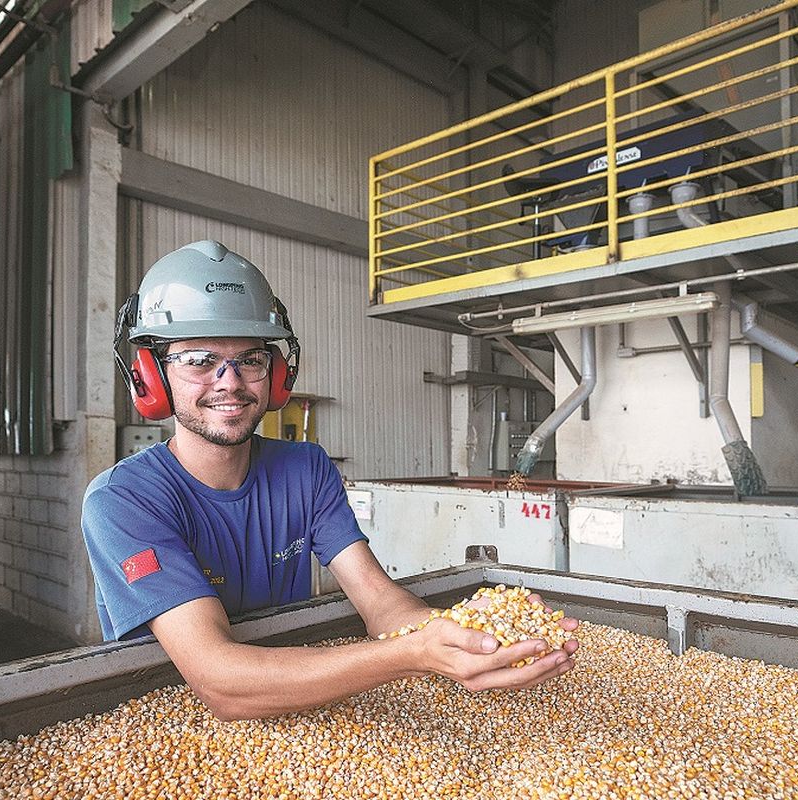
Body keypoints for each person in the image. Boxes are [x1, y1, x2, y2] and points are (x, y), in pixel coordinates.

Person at [82, 240, 578, 721]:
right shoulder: (122, 500)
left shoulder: (306, 468)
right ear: (149, 376)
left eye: (251, 360)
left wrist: (470, 632)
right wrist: (413, 655)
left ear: (276, 373)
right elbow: (220, 682)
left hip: (301, 699)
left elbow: (381, 604)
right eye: (198, 361)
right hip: (176, 718)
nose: (229, 381)